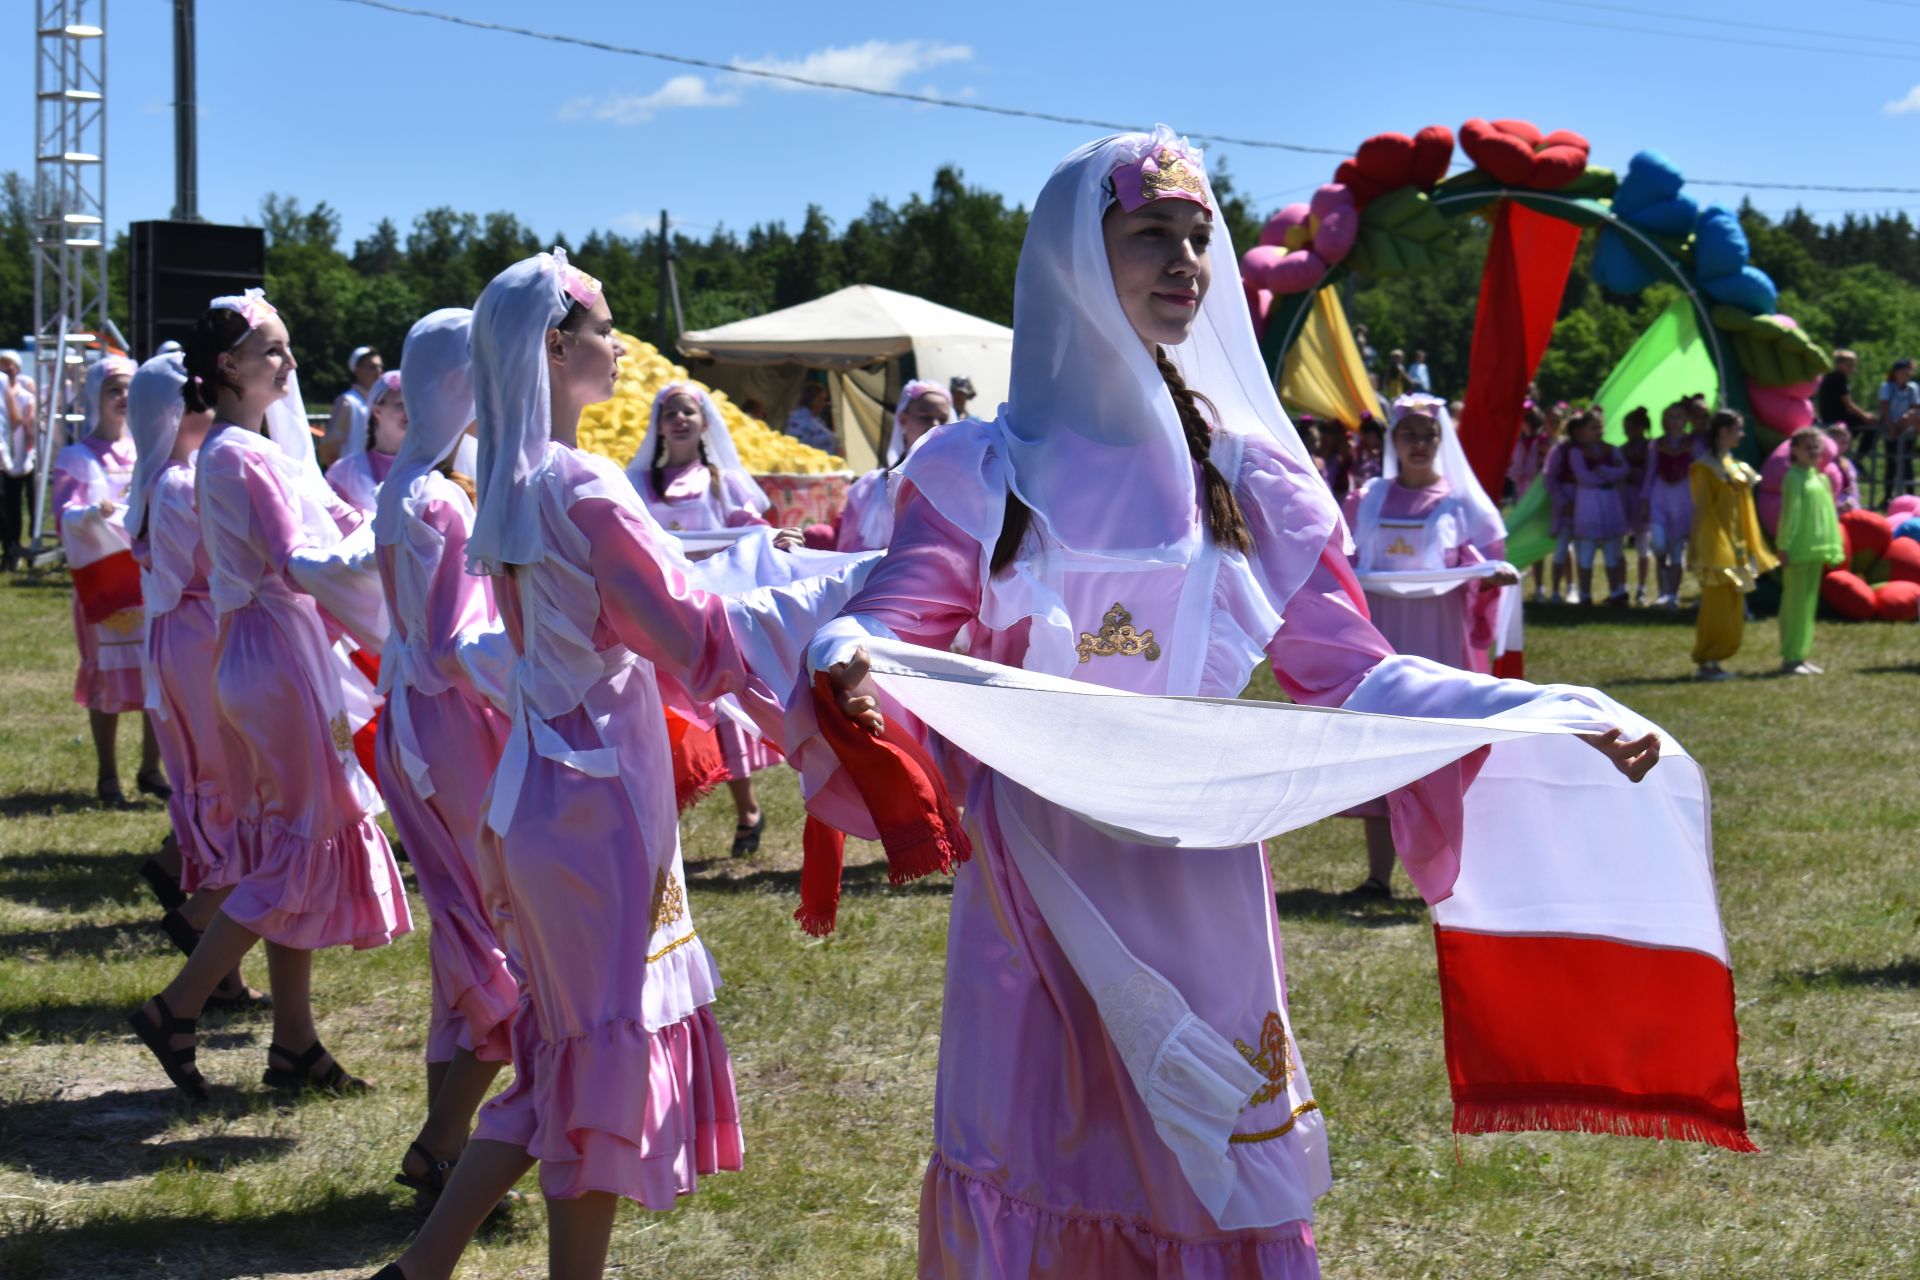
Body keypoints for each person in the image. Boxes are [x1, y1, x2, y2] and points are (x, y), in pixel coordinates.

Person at [801, 127, 1666, 1280]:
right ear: (1073, 256)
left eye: (1199, 236)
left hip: (1198, 868)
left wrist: (1530, 705)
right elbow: (891, 618)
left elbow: (1352, 670)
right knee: (1039, 1162)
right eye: (1150, 232)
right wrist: (850, 642)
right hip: (1036, 889)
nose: (1185, 260)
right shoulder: (980, 468)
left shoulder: (1248, 473)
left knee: (1209, 1170)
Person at [368, 251, 768, 1280]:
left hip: (543, 793)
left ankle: (419, 1268)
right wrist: (818, 630)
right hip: (596, 802)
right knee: (593, 1062)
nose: (617, 342)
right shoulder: (578, 482)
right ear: (555, 342)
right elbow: (690, 629)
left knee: (557, 1055)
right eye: (600, 324)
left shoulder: (506, 481)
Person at [127, 290, 411, 1103]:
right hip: (273, 651)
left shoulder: (236, 451)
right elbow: (301, 560)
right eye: (274, 351)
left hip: (264, 649)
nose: (288, 364)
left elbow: (314, 546)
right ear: (229, 367)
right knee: (301, 843)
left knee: (289, 838)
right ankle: (177, 1005)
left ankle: (294, 1043)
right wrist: (392, 548)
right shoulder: (239, 456)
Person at [369, 308, 520, 1209]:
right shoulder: (443, 497)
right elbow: (464, 642)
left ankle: (448, 1155)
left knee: (460, 936)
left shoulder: (407, 483)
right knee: (497, 933)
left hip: (413, 726)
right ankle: (442, 1145)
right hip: (453, 729)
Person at [124, 351, 266, 1010]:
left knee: (212, 787)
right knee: (224, 788)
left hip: (183, 637)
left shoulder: (159, 480)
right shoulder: (182, 485)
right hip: (202, 637)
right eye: (198, 403)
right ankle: (207, 933)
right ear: (172, 416)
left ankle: (222, 963)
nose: (212, 411)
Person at [1343, 393, 1515, 895]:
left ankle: (1452, 873)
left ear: (1442, 441)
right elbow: (1341, 559)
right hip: (1384, 633)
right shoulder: (1367, 499)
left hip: (1439, 632)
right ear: (1394, 440)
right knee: (1381, 738)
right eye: (1409, 433)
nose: (1419, 443)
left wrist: (1489, 582)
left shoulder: (1461, 505)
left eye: (1429, 434)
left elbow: (1479, 563)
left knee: (1440, 743)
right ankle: (1379, 876)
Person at [625, 381, 799, 855]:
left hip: (712, 607)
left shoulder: (721, 481)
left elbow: (747, 528)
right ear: (658, 426)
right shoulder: (638, 484)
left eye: (688, 412)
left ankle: (747, 809)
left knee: (720, 705)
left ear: (704, 423)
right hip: (661, 609)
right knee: (664, 712)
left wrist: (769, 540)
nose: (679, 419)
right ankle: (664, 816)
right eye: (670, 413)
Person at [52, 354, 166, 804]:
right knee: (108, 676)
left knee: (157, 676)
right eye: (113, 389)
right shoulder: (76, 457)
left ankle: (152, 769)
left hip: (146, 581)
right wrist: (89, 514)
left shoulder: (147, 451)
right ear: (95, 396)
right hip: (106, 584)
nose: (122, 398)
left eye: (129, 390)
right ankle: (107, 775)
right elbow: (64, 517)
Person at [1688, 409, 1775, 681]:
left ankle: (1718, 659)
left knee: (1732, 606)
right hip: (1716, 546)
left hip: (1736, 544)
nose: (1742, 434)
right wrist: (1713, 546)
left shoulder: (1735, 465)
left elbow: (1744, 511)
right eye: (1737, 429)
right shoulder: (1705, 468)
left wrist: (1749, 544)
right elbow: (1704, 511)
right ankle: (1707, 659)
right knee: (1715, 605)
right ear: (1723, 431)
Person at [836, 380, 952, 552]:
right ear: (903, 419)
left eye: (942, 419)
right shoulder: (871, 488)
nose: (935, 425)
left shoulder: (956, 485)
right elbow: (847, 551)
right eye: (925, 417)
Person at [1776, 426, 1845, 677]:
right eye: (1808, 447)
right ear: (1795, 451)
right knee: (1794, 605)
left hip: (1815, 549)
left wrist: (1833, 544)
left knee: (1807, 605)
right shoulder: (1792, 478)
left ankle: (1800, 655)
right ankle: (1790, 656)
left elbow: (1828, 514)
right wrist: (1783, 545)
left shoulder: (1821, 478)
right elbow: (1789, 515)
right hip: (1797, 550)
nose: (1814, 451)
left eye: (1817, 446)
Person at [1566, 410, 1630, 605]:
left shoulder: (1611, 450)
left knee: (1613, 550)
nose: (1598, 431)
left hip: (1610, 501)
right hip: (1589, 503)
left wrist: (1606, 472)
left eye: (1599, 427)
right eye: (1593, 428)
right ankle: (1585, 593)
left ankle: (1615, 591)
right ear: (1583, 431)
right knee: (1586, 550)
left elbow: (1623, 469)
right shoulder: (1576, 452)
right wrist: (1604, 477)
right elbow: (1582, 476)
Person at [326, 370, 404, 513]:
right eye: (401, 404)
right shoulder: (344, 472)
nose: (410, 411)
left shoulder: (431, 469)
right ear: (377, 411)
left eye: (414, 404)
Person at [1644, 402, 1695, 608]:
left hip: (1683, 499)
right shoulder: (1657, 444)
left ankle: (1671, 594)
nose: (1675, 421)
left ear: (1686, 420)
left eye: (1679, 416)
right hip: (1660, 496)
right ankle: (1662, 589)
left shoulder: (1693, 444)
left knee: (1676, 549)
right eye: (1671, 416)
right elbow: (1650, 471)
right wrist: (1644, 500)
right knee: (1659, 545)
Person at [1, 350, 38, 571]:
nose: (7, 369)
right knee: (10, 506)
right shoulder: (3, 390)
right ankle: (12, 548)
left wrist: (28, 445)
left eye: (10, 365)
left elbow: (25, 423)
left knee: (32, 504)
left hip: (25, 456)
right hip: (7, 457)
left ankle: (30, 548)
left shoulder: (25, 395)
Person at [323, 345, 383, 468]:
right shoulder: (347, 402)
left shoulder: (379, 403)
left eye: (380, 367)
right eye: (372, 367)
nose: (378, 372)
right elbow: (329, 446)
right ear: (357, 370)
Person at [1620, 406, 1654, 604]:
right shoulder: (1622, 449)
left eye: (1631, 426)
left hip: (1642, 497)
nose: (1627, 431)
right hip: (1626, 497)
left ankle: (1641, 587)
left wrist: (1645, 498)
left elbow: (1650, 474)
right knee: (1620, 546)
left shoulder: (1650, 448)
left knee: (1643, 545)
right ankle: (1622, 586)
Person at [1875, 357, 1920, 501]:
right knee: (1891, 462)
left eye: (1908, 372)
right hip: (1891, 428)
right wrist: (1891, 426)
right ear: (1895, 372)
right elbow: (1884, 408)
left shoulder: (1912, 388)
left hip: (1906, 430)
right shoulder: (1887, 387)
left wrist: (1906, 420)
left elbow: (1915, 407)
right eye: (1902, 372)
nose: (1905, 375)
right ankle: (1887, 496)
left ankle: (1910, 496)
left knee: (1906, 463)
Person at [784, 381, 836, 453]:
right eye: (822, 400)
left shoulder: (815, 420)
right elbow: (799, 446)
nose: (823, 404)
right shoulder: (798, 421)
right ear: (814, 400)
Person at [1827, 424, 1862, 512]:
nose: (1845, 446)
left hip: (1849, 506)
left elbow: (1853, 489)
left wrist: (1850, 501)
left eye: (1846, 443)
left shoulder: (1847, 463)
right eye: (1841, 442)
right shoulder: (1823, 464)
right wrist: (1838, 505)